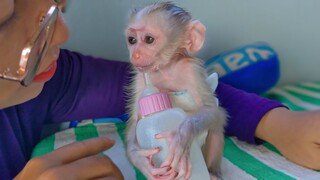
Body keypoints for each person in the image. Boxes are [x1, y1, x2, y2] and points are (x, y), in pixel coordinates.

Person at [0, 0, 319, 179]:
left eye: (58, 5)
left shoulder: (45, 82)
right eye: (5, 18)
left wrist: (277, 124)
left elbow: (171, 87)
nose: (62, 34)